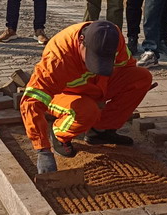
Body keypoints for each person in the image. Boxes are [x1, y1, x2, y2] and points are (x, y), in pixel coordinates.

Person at [19, 21, 153, 173]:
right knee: (87, 111)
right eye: (93, 58)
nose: (98, 63)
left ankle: (100, 131)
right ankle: (59, 134)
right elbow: (31, 102)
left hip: (96, 86)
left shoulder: (113, 37)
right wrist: (42, 149)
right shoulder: (57, 58)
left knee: (141, 77)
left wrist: (128, 92)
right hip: (63, 94)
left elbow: (127, 66)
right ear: (81, 41)